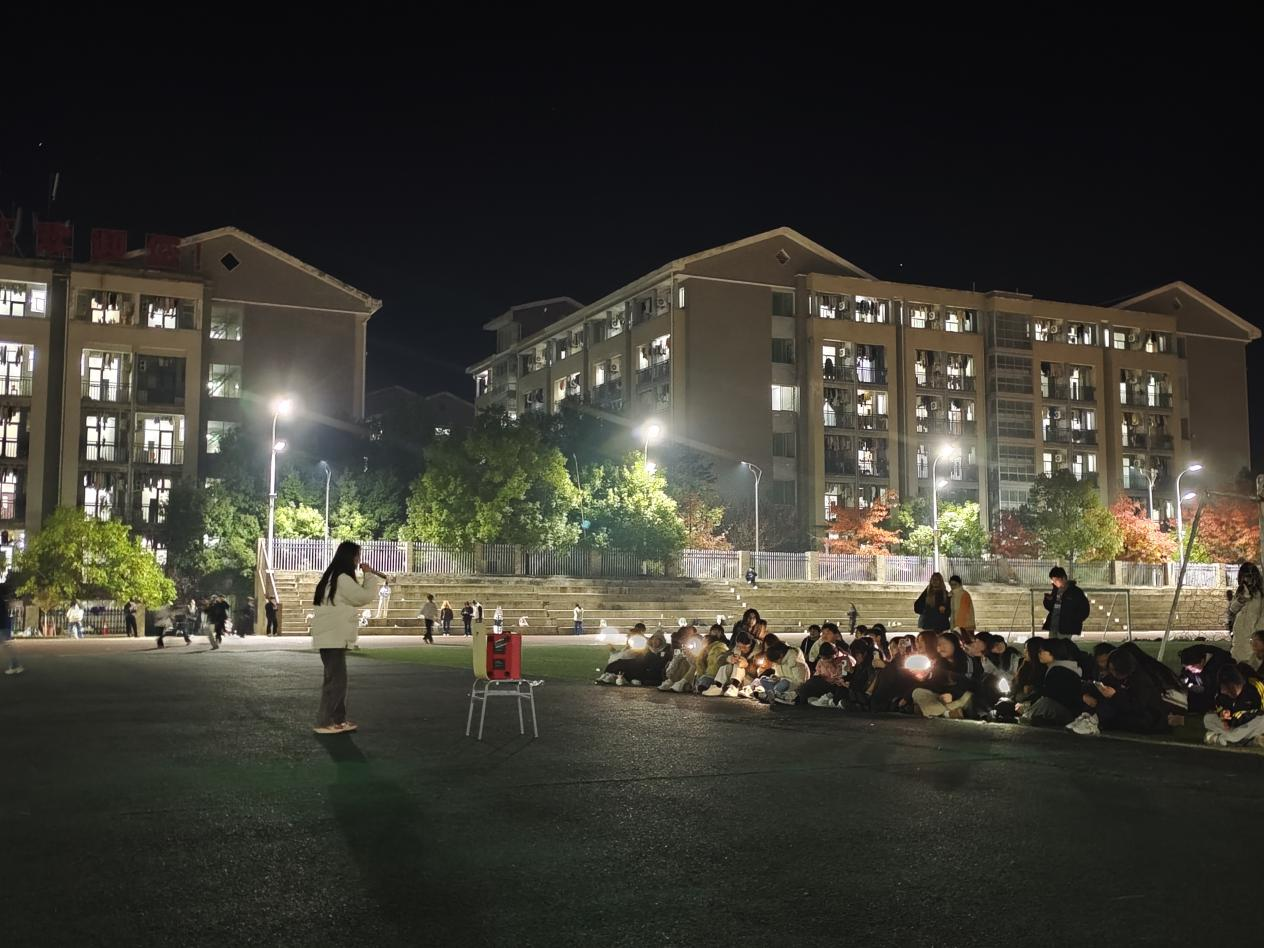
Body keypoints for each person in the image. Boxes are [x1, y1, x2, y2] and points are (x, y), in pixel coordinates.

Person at [310, 541, 386, 734]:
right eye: (357, 556)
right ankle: (324, 722)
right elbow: (363, 597)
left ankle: (338, 720)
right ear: (350, 557)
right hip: (333, 637)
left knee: (335, 680)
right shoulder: (342, 579)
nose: (358, 560)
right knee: (336, 682)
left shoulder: (331, 578)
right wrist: (369, 575)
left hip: (328, 636)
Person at [1069, 646, 1170, 736]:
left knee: (1109, 705)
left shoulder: (1141, 680)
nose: (1113, 673)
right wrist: (1086, 695)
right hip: (1125, 710)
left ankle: (1094, 721)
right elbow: (1097, 686)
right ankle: (1089, 718)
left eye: (1114, 670)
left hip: (1146, 717)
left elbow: (1137, 706)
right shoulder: (1113, 676)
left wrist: (1115, 695)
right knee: (1099, 699)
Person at [1017, 637, 1084, 727]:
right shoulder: (1057, 667)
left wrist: (1028, 704)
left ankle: (1026, 717)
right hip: (1065, 711)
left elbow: (1049, 695)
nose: (1039, 654)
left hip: (1069, 713)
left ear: (1053, 652)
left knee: (1045, 703)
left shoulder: (1058, 670)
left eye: (1042, 651)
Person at [911, 633, 975, 719]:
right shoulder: (938, 662)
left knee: (969, 696)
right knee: (918, 692)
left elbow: (968, 682)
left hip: (961, 695)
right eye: (938, 645)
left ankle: (938, 712)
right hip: (942, 697)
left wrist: (952, 694)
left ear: (954, 644)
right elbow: (934, 683)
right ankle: (947, 713)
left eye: (944, 644)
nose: (941, 648)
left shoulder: (967, 660)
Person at [1203, 664, 1264, 746]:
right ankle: (1248, 740)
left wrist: (1237, 718)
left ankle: (1221, 739)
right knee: (1208, 718)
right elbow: (1220, 707)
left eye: (1225, 687)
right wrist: (1223, 717)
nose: (1223, 691)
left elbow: (1260, 712)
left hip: (1248, 724)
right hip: (1232, 727)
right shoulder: (1222, 693)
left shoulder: (1255, 687)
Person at [1179, 643, 1236, 713]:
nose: (1190, 670)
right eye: (1187, 668)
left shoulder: (1220, 665)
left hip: (1218, 698)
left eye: (1192, 667)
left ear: (1202, 661)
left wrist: (1203, 690)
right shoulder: (1191, 661)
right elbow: (1185, 674)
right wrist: (1184, 681)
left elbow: (1217, 689)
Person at [752, 640, 810, 705]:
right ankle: (772, 695)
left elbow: (800, 683)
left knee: (784, 683)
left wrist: (781, 680)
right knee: (763, 679)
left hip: (792, 686)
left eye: (775, 661)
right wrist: (775, 677)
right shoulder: (779, 662)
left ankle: (771, 695)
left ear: (781, 655)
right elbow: (778, 675)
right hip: (780, 685)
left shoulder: (795, 661)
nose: (775, 663)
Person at [1227, 562, 1264, 664]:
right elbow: (1232, 609)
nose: (1246, 579)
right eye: (1244, 576)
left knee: (1251, 666)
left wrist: (1257, 634)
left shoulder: (1260, 594)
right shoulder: (1241, 591)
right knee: (1236, 663)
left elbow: (1262, 617)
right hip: (1239, 636)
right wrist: (1242, 598)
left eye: (1249, 576)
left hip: (1252, 638)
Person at [1042, 567, 1091, 638]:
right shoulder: (1055, 590)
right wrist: (1048, 600)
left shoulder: (1076, 592)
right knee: (1052, 643)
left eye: (1056, 580)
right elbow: (1050, 608)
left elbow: (1085, 609)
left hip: (1066, 627)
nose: (1054, 583)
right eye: (1053, 580)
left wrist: (1074, 620)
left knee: (1063, 644)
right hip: (1053, 625)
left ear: (1063, 578)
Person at [802, 642, 850, 708]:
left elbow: (844, 676)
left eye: (829, 657)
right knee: (809, 684)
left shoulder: (844, 660)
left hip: (837, 686)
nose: (826, 660)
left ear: (835, 654)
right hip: (824, 684)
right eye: (824, 658)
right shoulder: (820, 662)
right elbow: (817, 676)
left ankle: (830, 701)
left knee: (841, 689)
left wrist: (831, 665)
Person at [692, 625, 730, 694]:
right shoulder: (705, 650)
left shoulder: (718, 648)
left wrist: (704, 678)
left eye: (717, 631)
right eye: (713, 631)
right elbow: (699, 665)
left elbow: (713, 668)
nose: (716, 633)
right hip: (706, 676)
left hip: (714, 677)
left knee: (704, 681)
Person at [0, 583, 23, 676]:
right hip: (3, 625)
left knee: (6, 646)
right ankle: (15, 665)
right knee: (6, 646)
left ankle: (15, 665)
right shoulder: (2, 600)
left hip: (1, 625)